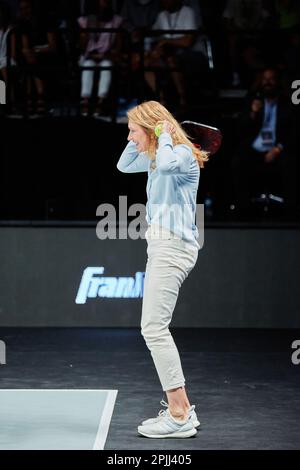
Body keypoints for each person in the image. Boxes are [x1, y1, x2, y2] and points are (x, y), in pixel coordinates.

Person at [116, 100, 208, 438]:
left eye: (132, 130)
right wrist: (144, 138)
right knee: (154, 327)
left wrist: (165, 135)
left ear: (153, 127)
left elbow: (169, 166)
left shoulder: (179, 154)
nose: (129, 136)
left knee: (154, 328)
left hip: (173, 246)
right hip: (161, 246)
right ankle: (183, 410)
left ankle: (179, 414)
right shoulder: (157, 155)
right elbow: (123, 166)